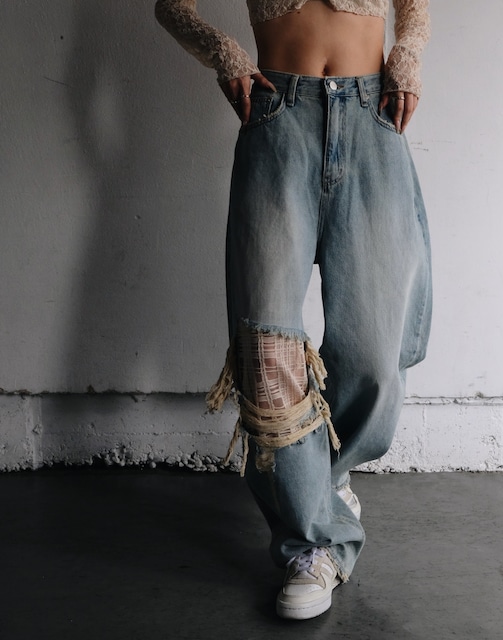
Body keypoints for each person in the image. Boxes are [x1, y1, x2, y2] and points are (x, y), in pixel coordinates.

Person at [155, 0, 432, 620]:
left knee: (373, 351)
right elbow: (171, 5)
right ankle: (311, 543)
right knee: (267, 348)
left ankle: (326, 481)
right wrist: (223, 53)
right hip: (277, 117)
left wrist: (408, 53)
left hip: (373, 117)